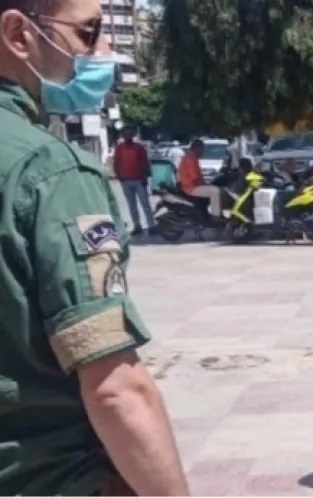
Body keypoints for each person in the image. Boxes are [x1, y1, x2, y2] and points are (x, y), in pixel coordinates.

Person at [0, 0, 188, 495]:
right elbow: (115, 389)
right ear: (19, 35)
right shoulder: (50, 171)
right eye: (88, 32)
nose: (104, 50)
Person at [114, 127, 156, 236]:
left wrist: (145, 177)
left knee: (145, 203)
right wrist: (119, 176)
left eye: (129, 134)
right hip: (125, 180)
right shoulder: (119, 148)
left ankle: (151, 225)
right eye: (125, 134)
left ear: (132, 136)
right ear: (123, 136)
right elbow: (116, 163)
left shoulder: (139, 148)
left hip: (139, 180)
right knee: (131, 205)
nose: (127, 136)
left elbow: (145, 163)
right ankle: (137, 226)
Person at [178, 139, 222, 219]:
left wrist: (206, 184)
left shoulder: (192, 158)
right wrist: (206, 185)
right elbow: (195, 179)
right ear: (197, 148)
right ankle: (216, 216)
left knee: (213, 188)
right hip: (191, 188)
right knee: (215, 191)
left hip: (193, 186)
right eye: (202, 149)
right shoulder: (190, 159)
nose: (203, 152)